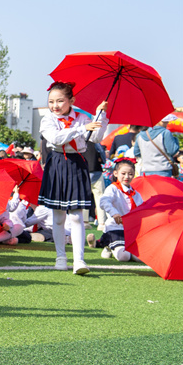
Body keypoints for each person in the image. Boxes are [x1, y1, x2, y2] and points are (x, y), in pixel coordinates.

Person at [38, 81, 108, 274]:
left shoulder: (83, 117)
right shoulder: (48, 119)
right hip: (57, 163)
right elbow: (56, 138)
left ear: (71, 100)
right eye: (51, 101)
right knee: (58, 217)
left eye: (60, 101)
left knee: (77, 216)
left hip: (77, 164)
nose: (55, 106)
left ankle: (79, 260)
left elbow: (95, 138)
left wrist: (102, 116)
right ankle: (61, 256)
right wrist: (82, 128)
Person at [97, 158, 143, 262]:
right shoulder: (113, 188)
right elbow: (104, 201)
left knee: (139, 258)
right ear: (116, 173)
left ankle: (110, 244)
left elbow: (141, 209)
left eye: (130, 174)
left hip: (131, 230)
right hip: (115, 228)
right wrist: (114, 213)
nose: (127, 177)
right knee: (124, 257)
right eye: (123, 173)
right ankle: (108, 243)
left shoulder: (135, 193)